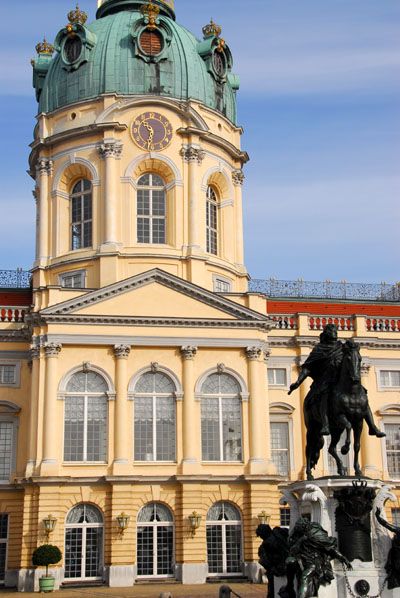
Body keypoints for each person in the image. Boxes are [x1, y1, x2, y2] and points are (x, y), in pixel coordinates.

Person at [288, 323, 384, 438]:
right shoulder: (319, 349)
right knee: (324, 393)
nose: (334, 334)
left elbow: (351, 360)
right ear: (326, 334)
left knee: (363, 396)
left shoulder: (342, 347)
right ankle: (325, 424)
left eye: (335, 332)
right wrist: (298, 382)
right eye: (332, 332)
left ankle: (372, 426)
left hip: (341, 380)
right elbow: (308, 367)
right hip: (325, 380)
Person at [279, 518, 352, 598]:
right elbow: (292, 550)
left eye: (298, 528)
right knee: (289, 561)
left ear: (303, 527)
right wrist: (301, 540)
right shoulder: (298, 535)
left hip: (313, 561)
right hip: (301, 558)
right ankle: (289, 586)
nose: (296, 530)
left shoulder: (316, 535)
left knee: (304, 576)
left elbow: (331, 549)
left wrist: (344, 559)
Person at [256, 523, 289, 598]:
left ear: (264, 534)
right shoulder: (277, 533)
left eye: (261, 536)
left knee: (272, 590)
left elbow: (275, 557)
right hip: (281, 565)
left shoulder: (269, 543)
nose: (261, 538)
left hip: (278, 568)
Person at [375, 508, 400, 589]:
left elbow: (386, 524)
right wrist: (377, 516)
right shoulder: (398, 530)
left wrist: (377, 516)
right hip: (397, 555)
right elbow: (386, 524)